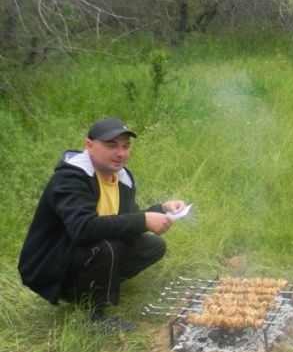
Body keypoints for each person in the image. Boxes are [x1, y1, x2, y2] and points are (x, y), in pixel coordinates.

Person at [18, 118, 187, 330]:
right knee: (106, 246)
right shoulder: (71, 178)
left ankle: (92, 290)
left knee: (153, 245)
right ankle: (94, 316)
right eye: (111, 145)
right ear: (89, 145)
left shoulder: (120, 177)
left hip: (82, 252)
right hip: (51, 262)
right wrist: (143, 220)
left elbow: (125, 218)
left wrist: (161, 209)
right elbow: (82, 228)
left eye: (125, 146)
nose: (121, 153)